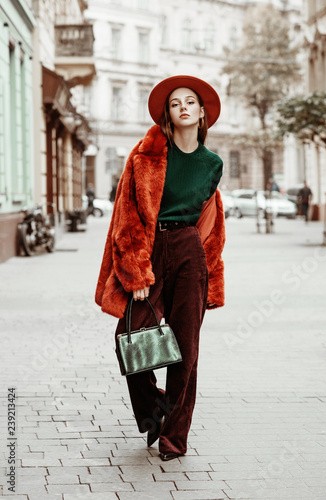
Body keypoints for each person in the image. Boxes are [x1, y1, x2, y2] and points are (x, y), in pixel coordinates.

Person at [95, 75, 226, 461]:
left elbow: (211, 223)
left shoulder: (212, 164)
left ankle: (174, 438)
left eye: (191, 101)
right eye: (175, 103)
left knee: (186, 350)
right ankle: (155, 410)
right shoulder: (147, 154)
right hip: (149, 252)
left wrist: (211, 274)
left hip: (189, 253)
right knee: (131, 341)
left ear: (202, 113)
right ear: (168, 114)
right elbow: (127, 214)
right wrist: (136, 272)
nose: (183, 106)